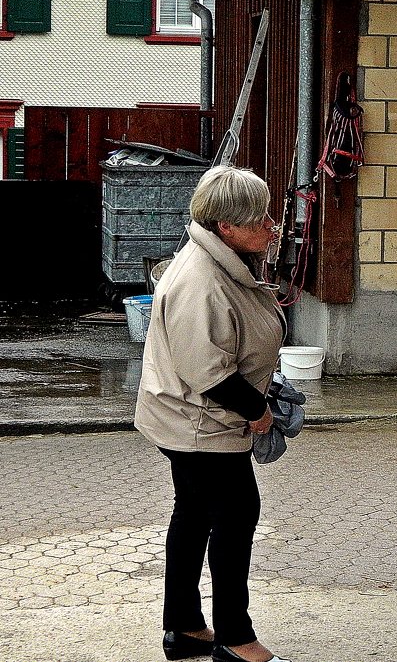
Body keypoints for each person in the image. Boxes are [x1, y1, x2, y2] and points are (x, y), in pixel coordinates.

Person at [135, 166, 289, 662]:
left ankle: (183, 629)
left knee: (196, 513)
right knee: (237, 513)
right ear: (226, 226)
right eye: (259, 219)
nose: (272, 225)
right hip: (202, 423)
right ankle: (234, 637)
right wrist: (259, 412)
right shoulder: (200, 280)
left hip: (193, 418)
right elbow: (209, 371)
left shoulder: (220, 260)